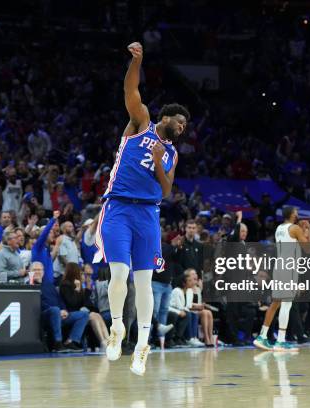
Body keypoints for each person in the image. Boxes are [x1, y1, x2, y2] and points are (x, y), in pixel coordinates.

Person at [94, 41, 189, 376]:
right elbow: (129, 88)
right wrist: (138, 60)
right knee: (119, 274)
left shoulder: (172, 154)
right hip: (118, 207)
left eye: (185, 127)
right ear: (164, 118)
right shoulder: (142, 123)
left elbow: (166, 190)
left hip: (148, 214)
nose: (181, 128)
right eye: (178, 122)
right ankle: (118, 327)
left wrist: (162, 164)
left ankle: (143, 343)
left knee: (145, 281)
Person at [253, 206, 310, 352]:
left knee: (275, 303)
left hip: (279, 267)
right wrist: (308, 229)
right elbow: (308, 248)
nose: (297, 214)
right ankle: (280, 340)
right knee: (286, 305)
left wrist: (301, 231)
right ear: (292, 214)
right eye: (296, 212)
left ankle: (262, 336)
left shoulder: (279, 228)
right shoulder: (295, 229)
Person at [59, 262, 109, 350]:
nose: (82, 275)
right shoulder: (65, 285)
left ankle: (108, 341)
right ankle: (102, 342)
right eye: (80, 272)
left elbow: (85, 303)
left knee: (97, 315)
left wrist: (86, 289)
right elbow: (72, 303)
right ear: (74, 272)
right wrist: (77, 289)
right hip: (69, 313)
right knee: (93, 316)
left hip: (79, 312)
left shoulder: (77, 285)